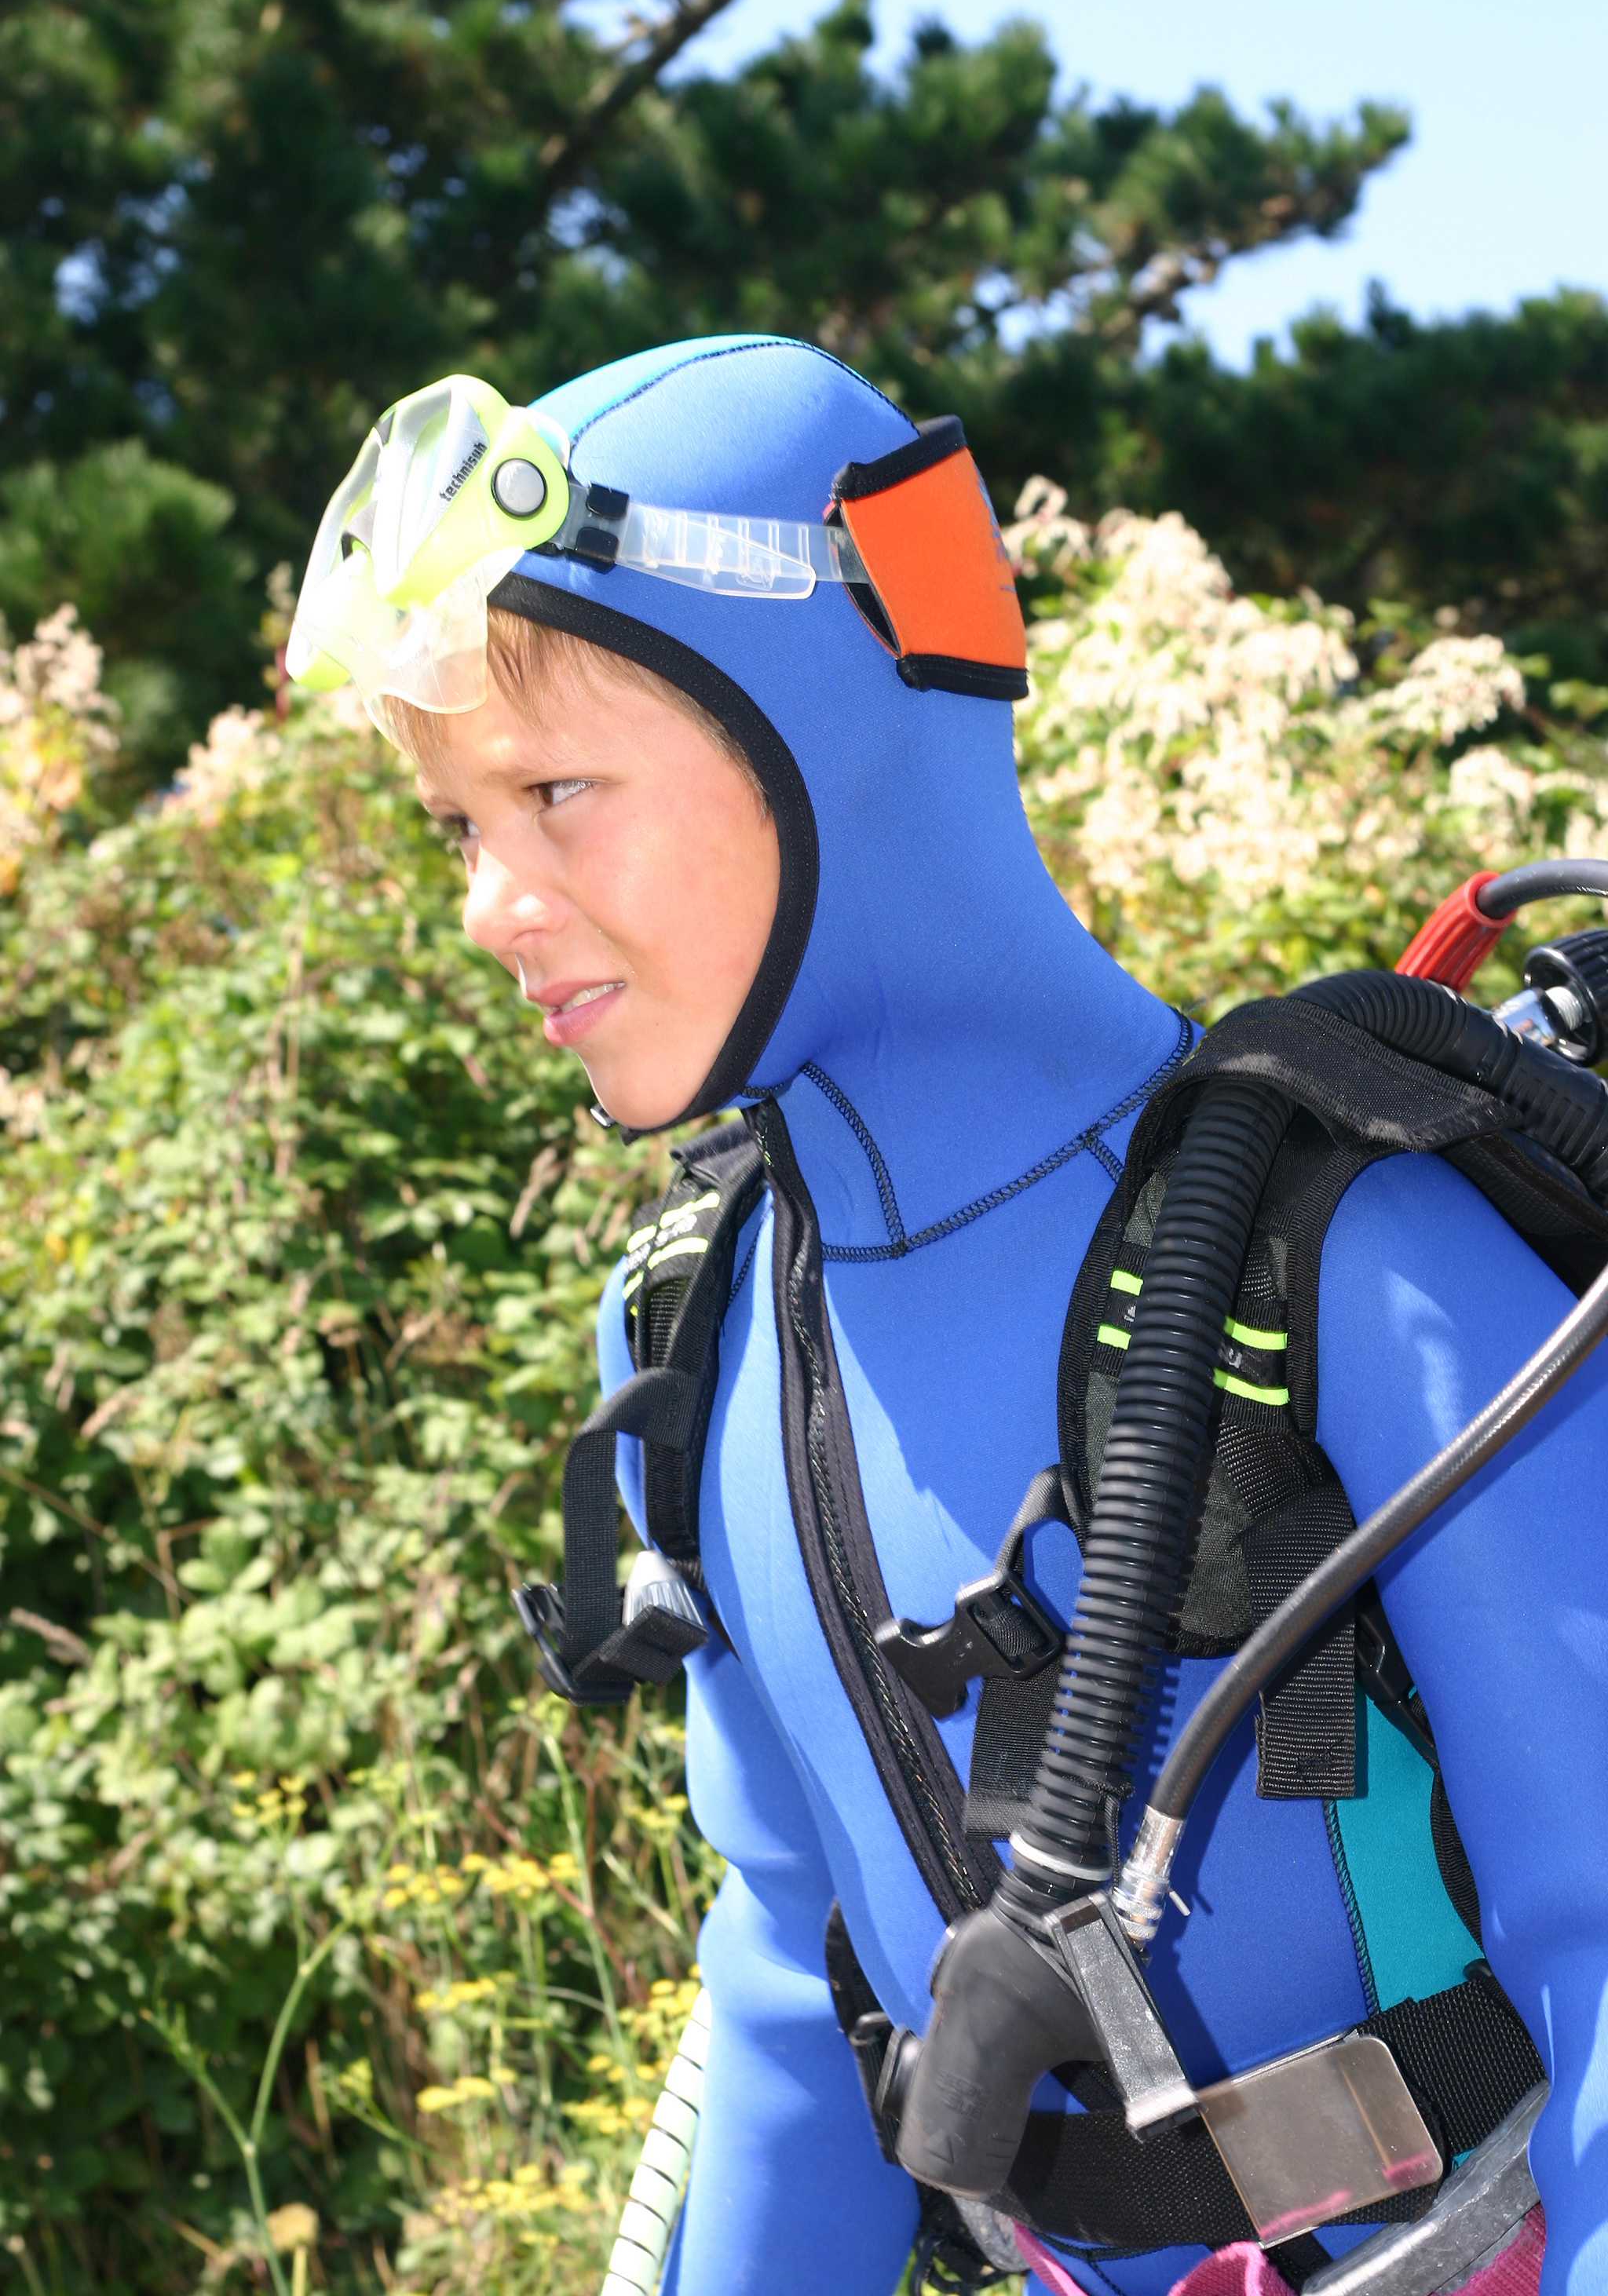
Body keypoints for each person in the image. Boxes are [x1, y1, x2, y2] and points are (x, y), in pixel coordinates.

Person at [288, 339, 1608, 2296]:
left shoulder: (1343, 1238)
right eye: (461, 825)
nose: (494, 901)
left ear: (836, 723)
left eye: (557, 790)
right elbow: (779, 2028)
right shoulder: (696, 1344)